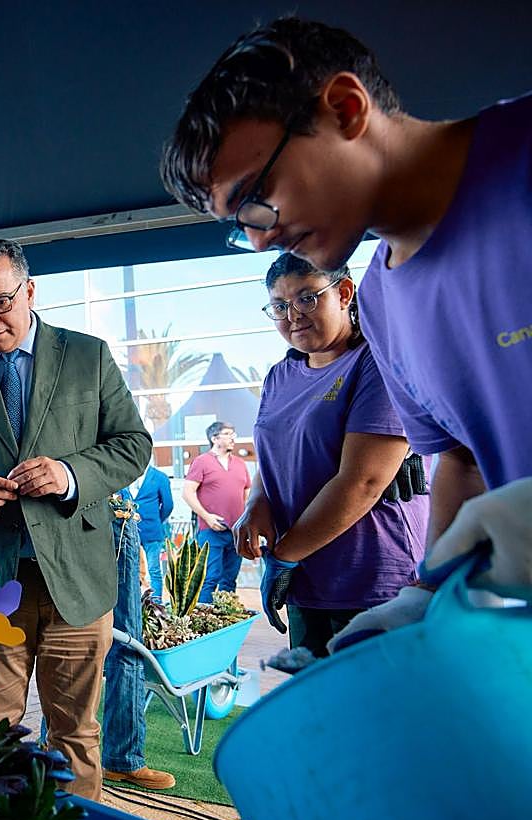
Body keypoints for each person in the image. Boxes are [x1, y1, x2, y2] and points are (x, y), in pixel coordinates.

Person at [159, 16, 532, 644]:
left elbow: (365, 478)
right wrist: (425, 593)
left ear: (344, 108)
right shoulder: (385, 303)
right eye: (237, 223)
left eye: (257, 193)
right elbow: (460, 463)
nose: (258, 236)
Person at [0, 238, 170, 799]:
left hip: (76, 578)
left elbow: (133, 445)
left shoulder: (89, 356)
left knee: (75, 733)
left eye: (0, 302)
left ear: (29, 290)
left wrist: (70, 475)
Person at [232, 254, 429, 656]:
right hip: (306, 577)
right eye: (281, 306)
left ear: (343, 293)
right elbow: (276, 456)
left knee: (379, 712)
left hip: (373, 580)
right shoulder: (279, 376)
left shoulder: (377, 362)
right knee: (321, 713)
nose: (293, 315)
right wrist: (256, 504)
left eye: (307, 299)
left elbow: (364, 481)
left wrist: (285, 557)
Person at [100, 488, 176, 790]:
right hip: (91, 513)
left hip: (117, 515)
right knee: (72, 641)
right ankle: (55, 752)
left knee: (127, 644)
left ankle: (122, 758)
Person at [183, 421, 251, 602]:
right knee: (209, 578)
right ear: (214, 438)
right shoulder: (201, 462)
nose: (232, 438)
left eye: (233, 434)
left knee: (229, 580)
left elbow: (247, 495)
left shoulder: (240, 463)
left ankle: (226, 621)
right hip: (211, 531)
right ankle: (205, 623)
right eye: (228, 434)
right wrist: (207, 517)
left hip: (236, 532)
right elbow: (187, 493)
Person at [121, 462, 174, 601]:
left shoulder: (159, 477)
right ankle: (135, 603)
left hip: (152, 531)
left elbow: (168, 505)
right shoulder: (125, 473)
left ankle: (156, 604)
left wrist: (156, 520)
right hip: (128, 532)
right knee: (132, 570)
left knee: (154, 570)